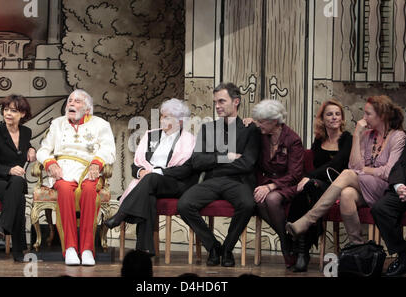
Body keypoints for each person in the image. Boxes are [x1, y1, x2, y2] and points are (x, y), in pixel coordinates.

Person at [286, 95, 406, 248]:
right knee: (347, 194)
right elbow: (355, 166)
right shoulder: (368, 136)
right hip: (365, 186)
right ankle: (358, 246)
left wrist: (366, 170)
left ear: (381, 115)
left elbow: (389, 173)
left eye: (368, 114)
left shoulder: (398, 136)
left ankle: (308, 220)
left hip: (385, 190)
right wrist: (357, 135)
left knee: (347, 174)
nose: (364, 118)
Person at [177, 82, 260, 267]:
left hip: (237, 182)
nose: (217, 106)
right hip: (212, 180)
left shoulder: (250, 129)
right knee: (184, 204)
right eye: (215, 102)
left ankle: (227, 249)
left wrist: (214, 161)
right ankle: (213, 247)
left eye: (222, 101)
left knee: (247, 204)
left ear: (236, 101)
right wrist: (226, 157)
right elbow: (197, 161)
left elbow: (248, 163)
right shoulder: (208, 129)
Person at [104, 98, 197, 256]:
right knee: (149, 196)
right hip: (148, 183)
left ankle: (121, 214)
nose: (162, 119)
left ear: (180, 121)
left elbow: (186, 170)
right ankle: (145, 248)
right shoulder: (151, 136)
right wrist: (141, 172)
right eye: (162, 116)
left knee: (151, 179)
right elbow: (136, 165)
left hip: (175, 184)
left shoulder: (189, 140)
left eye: (167, 117)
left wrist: (156, 172)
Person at [36, 89, 116, 266]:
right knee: (64, 189)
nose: (71, 103)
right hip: (62, 169)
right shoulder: (57, 123)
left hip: (89, 170)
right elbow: (43, 150)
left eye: (77, 101)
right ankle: (70, 248)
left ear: (87, 108)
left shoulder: (101, 124)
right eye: (70, 100)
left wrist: (97, 163)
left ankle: (87, 249)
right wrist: (51, 164)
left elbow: (109, 150)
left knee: (89, 190)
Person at [288, 99, 352, 272]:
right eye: (329, 114)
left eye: (337, 114)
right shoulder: (319, 140)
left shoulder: (347, 138)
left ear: (342, 118)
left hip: (340, 187)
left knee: (309, 186)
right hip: (318, 187)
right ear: (322, 119)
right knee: (303, 192)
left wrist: (308, 177)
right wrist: (309, 180)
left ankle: (301, 247)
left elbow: (338, 164)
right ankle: (302, 251)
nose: (334, 118)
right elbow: (315, 165)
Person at [0, 94, 36, 262]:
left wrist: (32, 148)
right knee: (18, 192)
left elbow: (23, 149)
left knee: (17, 193)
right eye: (6, 110)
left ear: (23, 114)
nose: (8, 114)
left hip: (14, 183)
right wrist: (9, 170)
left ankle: (2, 227)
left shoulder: (26, 132)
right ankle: (18, 252)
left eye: (13, 110)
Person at [250, 99, 304, 268]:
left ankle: (285, 244)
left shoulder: (293, 139)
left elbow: (295, 174)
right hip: (266, 181)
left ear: (274, 121)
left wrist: (271, 186)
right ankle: (286, 237)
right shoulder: (261, 136)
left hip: (289, 183)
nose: (258, 125)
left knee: (272, 199)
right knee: (259, 199)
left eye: (262, 121)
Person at [371, 141, 406, 276]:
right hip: (405, 191)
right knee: (381, 208)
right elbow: (400, 165)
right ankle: (404, 254)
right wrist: (399, 187)